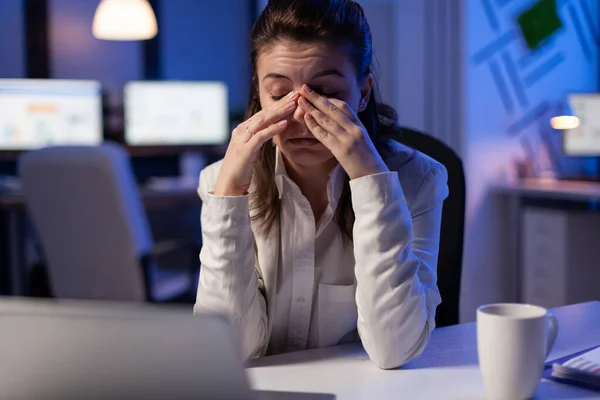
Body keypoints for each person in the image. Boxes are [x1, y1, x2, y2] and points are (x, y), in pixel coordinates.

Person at [194, 0, 449, 370]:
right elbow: (227, 350)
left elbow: (396, 347)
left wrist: (370, 180)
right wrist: (230, 191)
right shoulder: (219, 182)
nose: (299, 115)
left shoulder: (418, 180)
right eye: (280, 96)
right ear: (258, 94)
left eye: (325, 94)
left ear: (363, 92)